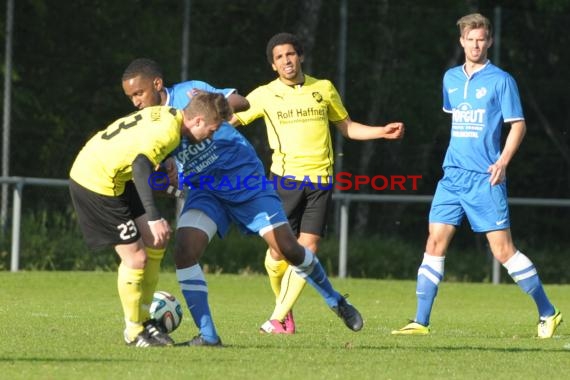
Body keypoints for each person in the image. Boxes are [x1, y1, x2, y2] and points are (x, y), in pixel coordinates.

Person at [121, 58, 364, 347]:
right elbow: (156, 173)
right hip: (206, 190)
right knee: (185, 251)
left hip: (244, 181)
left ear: (157, 84)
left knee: (287, 248)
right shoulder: (148, 124)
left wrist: (213, 103)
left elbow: (244, 103)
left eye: (139, 94)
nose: (135, 102)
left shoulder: (190, 91)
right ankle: (209, 336)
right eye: (131, 97)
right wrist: (165, 182)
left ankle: (335, 300)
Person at [392, 13, 562, 338]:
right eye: (470, 39)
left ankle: (548, 312)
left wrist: (503, 161)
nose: (475, 44)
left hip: (486, 178)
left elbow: (519, 125)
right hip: (452, 176)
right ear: (462, 42)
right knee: (434, 242)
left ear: (490, 41)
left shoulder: (501, 80)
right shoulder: (451, 79)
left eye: (481, 39)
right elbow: (457, 119)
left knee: (502, 251)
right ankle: (420, 321)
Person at [231, 32, 405, 334]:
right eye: (279, 57)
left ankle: (277, 318)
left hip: (320, 182)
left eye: (290, 54)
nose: (286, 60)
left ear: (300, 56)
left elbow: (347, 128)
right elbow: (229, 123)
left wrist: (382, 131)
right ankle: (284, 312)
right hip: (284, 182)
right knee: (277, 254)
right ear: (273, 66)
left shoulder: (322, 88)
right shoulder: (262, 94)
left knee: (307, 248)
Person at [69, 95, 228, 347]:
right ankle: (133, 331)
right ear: (197, 120)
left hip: (116, 175)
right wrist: (153, 217)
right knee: (136, 258)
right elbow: (141, 167)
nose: (210, 137)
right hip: (96, 180)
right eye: (211, 130)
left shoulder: (171, 115)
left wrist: (167, 159)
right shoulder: (168, 133)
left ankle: (145, 322)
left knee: (157, 241)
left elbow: (142, 139)